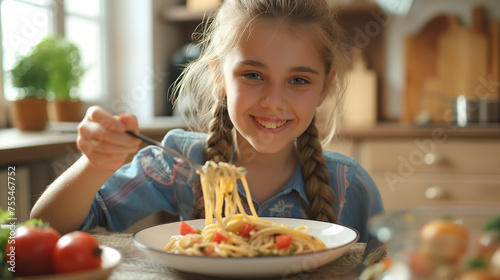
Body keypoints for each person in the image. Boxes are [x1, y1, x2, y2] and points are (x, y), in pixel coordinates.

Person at [31, 0, 384, 242]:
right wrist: (94, 164)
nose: (274, 101)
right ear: (219, 76)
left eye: (298, 80)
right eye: (253, 75)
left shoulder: (348, 185)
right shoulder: (179, 163)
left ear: (324, 88)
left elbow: (383, 267)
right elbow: (48, 229)